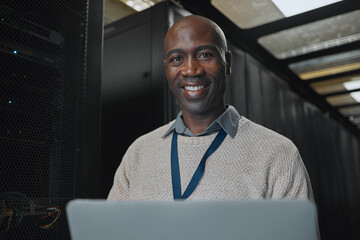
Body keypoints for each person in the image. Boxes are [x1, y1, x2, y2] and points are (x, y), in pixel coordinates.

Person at [107, 15, 313, 201]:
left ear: (228, 62)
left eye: (204, 55)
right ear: (166, 69)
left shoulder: (278, 154)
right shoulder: (139, 152)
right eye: (177, 59)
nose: (191, 70)